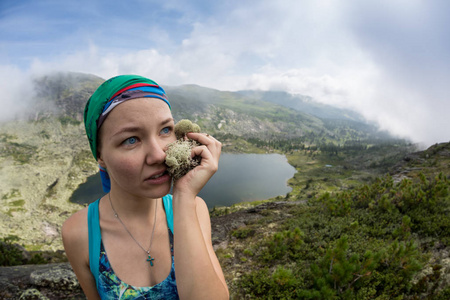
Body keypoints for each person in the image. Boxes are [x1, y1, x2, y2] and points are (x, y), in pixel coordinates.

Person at [62, 75, 229, 299]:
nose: (159, 155)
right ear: (100, 156)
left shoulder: (194, 209)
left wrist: (183, 196)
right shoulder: (79, 233)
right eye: (131, 139)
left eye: (165, 130)